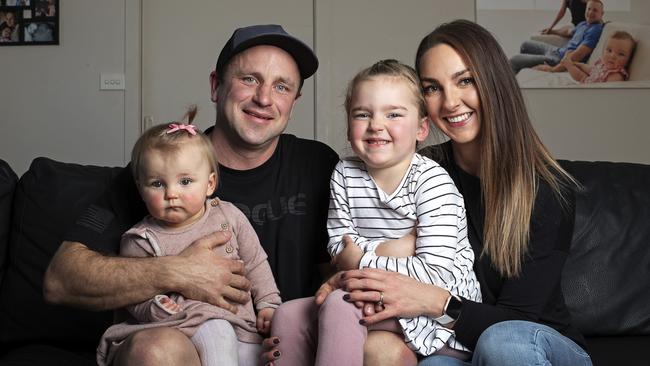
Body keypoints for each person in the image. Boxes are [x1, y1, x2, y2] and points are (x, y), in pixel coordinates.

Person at [43, 24, 338, 366]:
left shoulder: (317, 164)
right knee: (154, 348)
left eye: (282, 86)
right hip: (184, 343)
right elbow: (61, 279)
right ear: (216, 86)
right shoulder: (162, 172)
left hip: (274, 347)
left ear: (294, 101)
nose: (264, 98)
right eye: (249, 79)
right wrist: (178, 272)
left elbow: (335, 272)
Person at [320, 19, 591, 366]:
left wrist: (437, 301)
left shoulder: (550, 191)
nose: (450, 102)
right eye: (432, 88)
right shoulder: (416, 171)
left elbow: (520, 320)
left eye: (465, 81)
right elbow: (349, 241)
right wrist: (343, 278)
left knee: (502, 342)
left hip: (535, 343)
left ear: (494, 84)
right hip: (455, 342)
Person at [270, 59, 481, 365]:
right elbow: (338, 247)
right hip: (368, 292)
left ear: (422, 128)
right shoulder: (345, 172)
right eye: (362, 114)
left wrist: (362, 259)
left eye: (393, 114)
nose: (376, 125)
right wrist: (393, 250)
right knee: (288, 315)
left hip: (437, 315)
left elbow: (434, 274)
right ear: (348, 125)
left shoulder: (432, 182)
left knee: (341, 306)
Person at [96, 110, 281, 366]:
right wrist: (155, 307)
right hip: (181, 327)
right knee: (217, 330)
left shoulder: (228, 217)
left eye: (185, 181)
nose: (172, 193)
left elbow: (255, 263)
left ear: (209, 184)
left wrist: (268, 304)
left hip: (243, 329)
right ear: (140, 189)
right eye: (157, 184)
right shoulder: (141, 239)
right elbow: (133, 297)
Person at [510, 0, 604, 74]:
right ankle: (521, 78)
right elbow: (568, 32)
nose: (590, 12)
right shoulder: (583, 24)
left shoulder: (595, 30)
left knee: (514, 60)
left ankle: (508, 94)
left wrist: (553, 69)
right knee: (525, 45)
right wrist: (552, 31)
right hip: (556, 51)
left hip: (557, 59)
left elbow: (579, 54)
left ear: (601, 14)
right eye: (589, 9)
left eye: (595, 10)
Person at [563, 30, 636, 83]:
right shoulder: (602, 64)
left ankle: (568, 65)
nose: (612, 56)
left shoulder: (616, 75)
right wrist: (579, 65)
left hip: (592, 93)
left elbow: (609, 93)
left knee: (581, 77)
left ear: (628, 60)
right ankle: (569, 64)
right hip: (588, 80)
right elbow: (591, 69)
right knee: (581, 74)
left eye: (621, 54)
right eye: (609, 50)